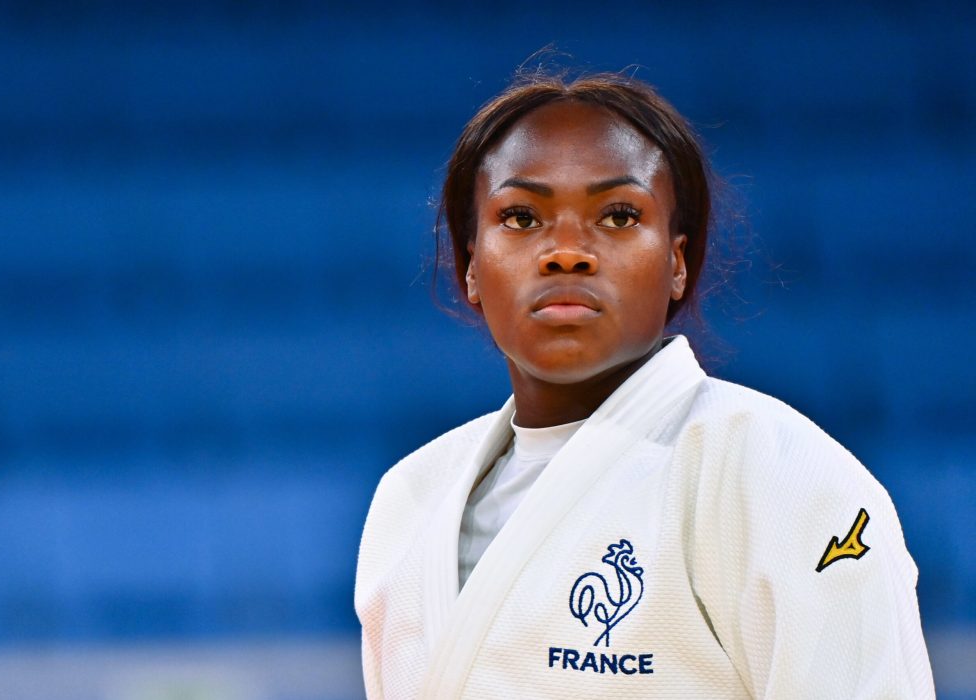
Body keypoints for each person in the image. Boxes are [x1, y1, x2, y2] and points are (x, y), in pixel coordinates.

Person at [354, 71, 935, 699]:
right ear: (470, 266)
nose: (566, 251)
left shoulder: (779, 474)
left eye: (619, 216)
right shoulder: (410, 500)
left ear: (677, 263)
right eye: (521, 217)